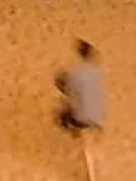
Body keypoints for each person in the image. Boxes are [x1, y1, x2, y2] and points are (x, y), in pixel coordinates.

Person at [56, 40, 106, 181]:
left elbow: (68, 89)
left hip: (82, 118)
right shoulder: (97, 73)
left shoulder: (77, 72)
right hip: (98, 117)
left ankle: (90, 176)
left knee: (62, 116)